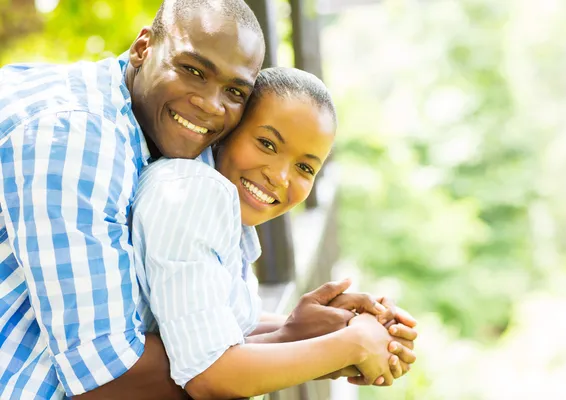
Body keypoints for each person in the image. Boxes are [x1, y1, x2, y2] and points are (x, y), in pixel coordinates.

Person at [0, 0, 414, 398]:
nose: (209, 105)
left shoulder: (157, 132)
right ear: (143, 47)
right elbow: (112, 379)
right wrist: (343, 348)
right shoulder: (76, 142)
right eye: (193, 70)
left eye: (234, 92)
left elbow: (189, 329)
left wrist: (294, 333)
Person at [131, 67, 417, 399]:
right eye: (267, 143)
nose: (281, 177)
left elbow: (215, 325)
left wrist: (319, 326)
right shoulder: (193, 194)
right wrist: (351, 345)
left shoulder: (225, 216)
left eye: (305, 167)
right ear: (229, 130)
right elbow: (209, 375)